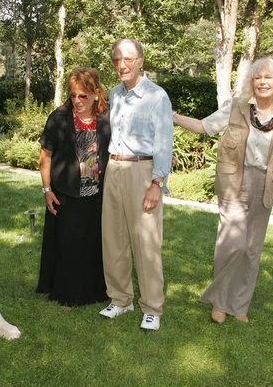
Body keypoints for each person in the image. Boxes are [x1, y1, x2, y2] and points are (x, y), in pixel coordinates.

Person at [173, 57, 273, 324]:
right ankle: (219, 302)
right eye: (258, 78)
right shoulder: (236, 108)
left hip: (265, 185)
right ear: (251, 82)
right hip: (234, 182)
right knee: (231, 245)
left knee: (252, 249)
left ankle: (239, 305)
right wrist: (172, 116)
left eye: (268, 78)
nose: (263, 82)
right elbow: (202, 126)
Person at [99, 39, 173, 331]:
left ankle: (152, 307)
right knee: (113, 239)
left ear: (141, 61)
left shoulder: (157, 97)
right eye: (117, 59)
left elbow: (164, 143)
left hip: (142, 172)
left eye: (128, 59)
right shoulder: (115, 95)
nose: (122, 64)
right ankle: (120, 299)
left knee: (146, 242)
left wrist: (157, 183)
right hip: (114, 168)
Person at [35, 67, 110, 308]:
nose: (77, 101)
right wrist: (47, 191)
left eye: (83, 96)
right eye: (73, 95)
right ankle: (67, 293)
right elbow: (45, 156)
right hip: (66, 194)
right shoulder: (59, 117)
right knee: (68, 244)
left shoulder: (107, 119)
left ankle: (96, 291)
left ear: (96, 93)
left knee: (93, 244)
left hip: (98, 195)